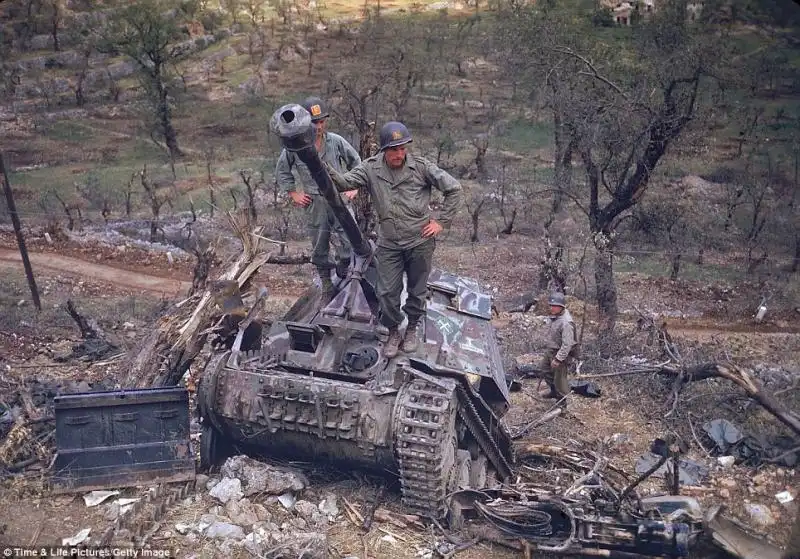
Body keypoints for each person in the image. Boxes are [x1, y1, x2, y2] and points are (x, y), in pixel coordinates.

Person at [328, 121, 463, 358]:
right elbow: (343, 183)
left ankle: (412, 327)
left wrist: (441, 222)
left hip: (419, 241)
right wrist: (320, 163)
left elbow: (454, 189)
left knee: (417, 289)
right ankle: (393, 330)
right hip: (389, 244)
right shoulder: (370, 168)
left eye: (403, 148)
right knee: (387, 293)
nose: (399, 154)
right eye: (394, 149)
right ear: (384, 150)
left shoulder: (421, 167)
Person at [275, 96, 361, 296]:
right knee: (319, 244)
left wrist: (354, 186)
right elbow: (282, 170)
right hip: (315, 202)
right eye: (314, 122)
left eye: (322, 121)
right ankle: (327, 285)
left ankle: (345, 266)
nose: (319, 126)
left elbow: (356, 162)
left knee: (350, 238)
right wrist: (293, 193)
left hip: (339, 198)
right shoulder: (295, 147)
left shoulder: (336, 141)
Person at [540, 292, 579, 405]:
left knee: (559, 380)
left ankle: (562, 404)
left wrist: (558, 359)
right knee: (544, 369)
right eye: (551, 305)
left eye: (554, 306)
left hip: (560, 353)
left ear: (561, 307)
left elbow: (567, 344)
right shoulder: (556, 316)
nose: (551, 308)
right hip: (551, 350)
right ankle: (553, 391)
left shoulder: (566, 323)